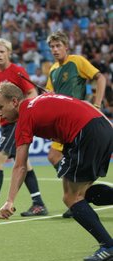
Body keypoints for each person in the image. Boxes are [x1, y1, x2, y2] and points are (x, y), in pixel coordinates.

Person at [0, 82, 113, 261]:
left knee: (71, 198)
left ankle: (109, 246)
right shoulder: (39, 100)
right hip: (103, 127)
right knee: (81, 193)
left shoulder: (26, 116)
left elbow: (20, 165)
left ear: (14, 102)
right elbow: (83, 103)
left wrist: (10, 201)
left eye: (0, 107)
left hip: (85, 133)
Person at [0, 38, 47, 218]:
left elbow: (31, 92)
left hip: (17, 121)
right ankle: (38, 203)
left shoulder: (18, 71)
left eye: (1, 51)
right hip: (5, 124)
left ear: (9, 53)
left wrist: (23, 110)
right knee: (24, 163)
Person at [45, 31, 107, 218]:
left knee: (56, 156)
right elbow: (49, 95)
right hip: (63, 124)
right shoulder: (53, 70)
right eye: (52, 47)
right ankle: (77, 197)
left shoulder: (77, 61)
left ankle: (77, 198)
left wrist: (96, 104)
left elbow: (101, 78)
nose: (55, 50)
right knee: (55, 156)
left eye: (58, 46)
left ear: (66, 47)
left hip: (80, 122)